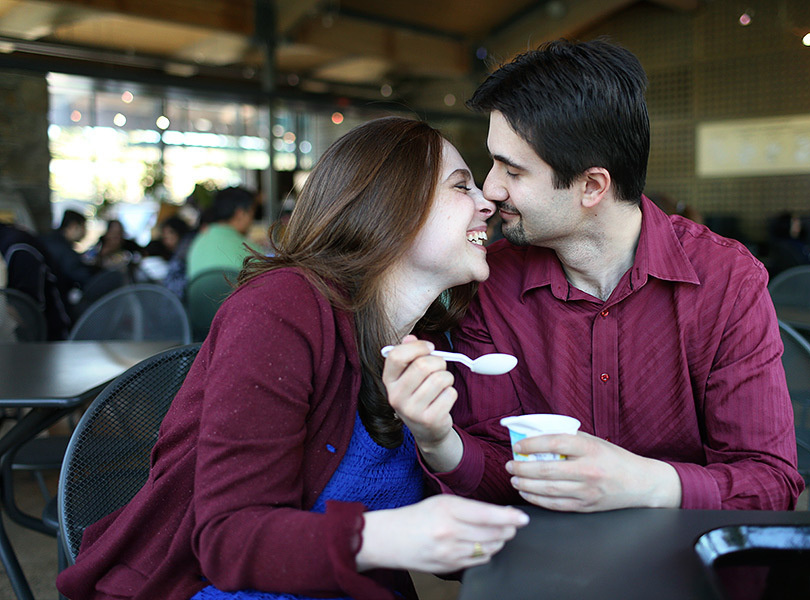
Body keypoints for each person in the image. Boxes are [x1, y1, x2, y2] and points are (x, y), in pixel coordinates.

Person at [56, 117, 528, 600]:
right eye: (460, 186)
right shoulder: (281, 308)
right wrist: (391, 537)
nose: (487, 202)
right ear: (393, 207)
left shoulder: (436, 344)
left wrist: (437, 440)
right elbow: (229, 541)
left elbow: (463, 544)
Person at [383, 38, 803, 512]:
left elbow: (770, 485)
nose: (490, 189)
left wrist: (647, 483)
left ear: (592, 186)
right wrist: (440, 442)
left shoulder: (726, 280)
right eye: (492, 163)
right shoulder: (489, 284)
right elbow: (494, 478)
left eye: (513, 171)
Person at [186, 186, 262, 280]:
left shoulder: (198, 242)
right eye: (252, 214)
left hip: (198, 295)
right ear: (240, 214)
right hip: (238, 294)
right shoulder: (249, 249)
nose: (251, 221)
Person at [39, 209, 97, 303]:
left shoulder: (47, 239)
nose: (85, 232)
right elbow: (82, 276)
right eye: (83, 227)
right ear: (73, 226)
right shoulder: (65, 250)